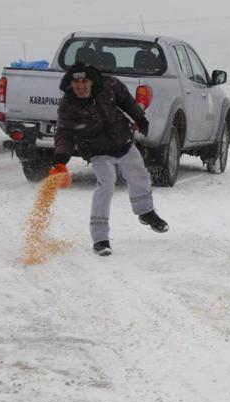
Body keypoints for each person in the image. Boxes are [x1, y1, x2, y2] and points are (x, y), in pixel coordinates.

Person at [51, 62, 168, 256]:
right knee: (106, 184)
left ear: (91, 81)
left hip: (122, 140)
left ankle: (146, 213)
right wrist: (61, 157)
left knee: (139, 175)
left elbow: (128, 102)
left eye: (84, 81)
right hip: (96, 149)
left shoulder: (110, 85)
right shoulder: (68, 104)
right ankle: (100, 239)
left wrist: (140, 119)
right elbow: (64, 132)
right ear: (70, 84)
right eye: (76, 82)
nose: (80, 86)